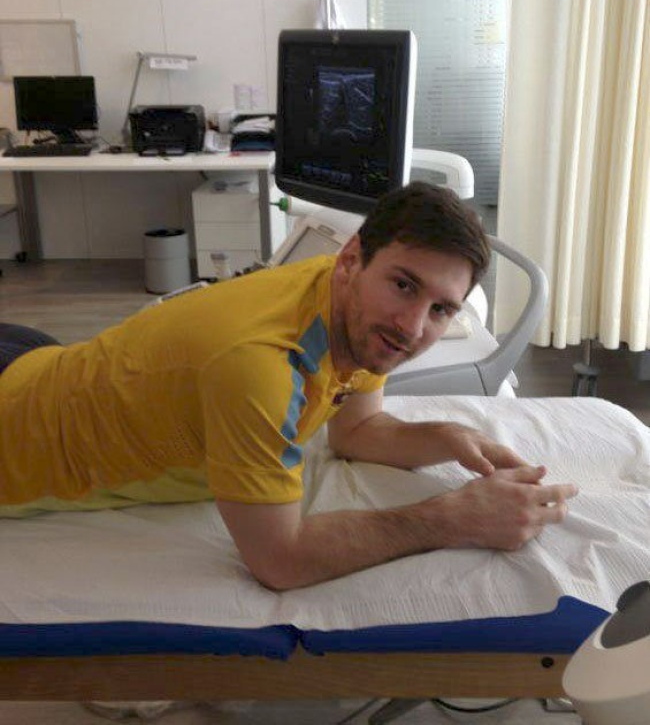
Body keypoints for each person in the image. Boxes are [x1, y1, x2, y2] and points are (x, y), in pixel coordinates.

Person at [0, 182, 578, 589]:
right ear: (352, 259)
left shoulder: (346, 305)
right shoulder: (259, 367)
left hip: (40, 358)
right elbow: (280, 560)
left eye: (441, 309)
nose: (413, 326)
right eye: (404, 285)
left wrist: (446, 436)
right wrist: (454, 518)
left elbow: (357, 430)